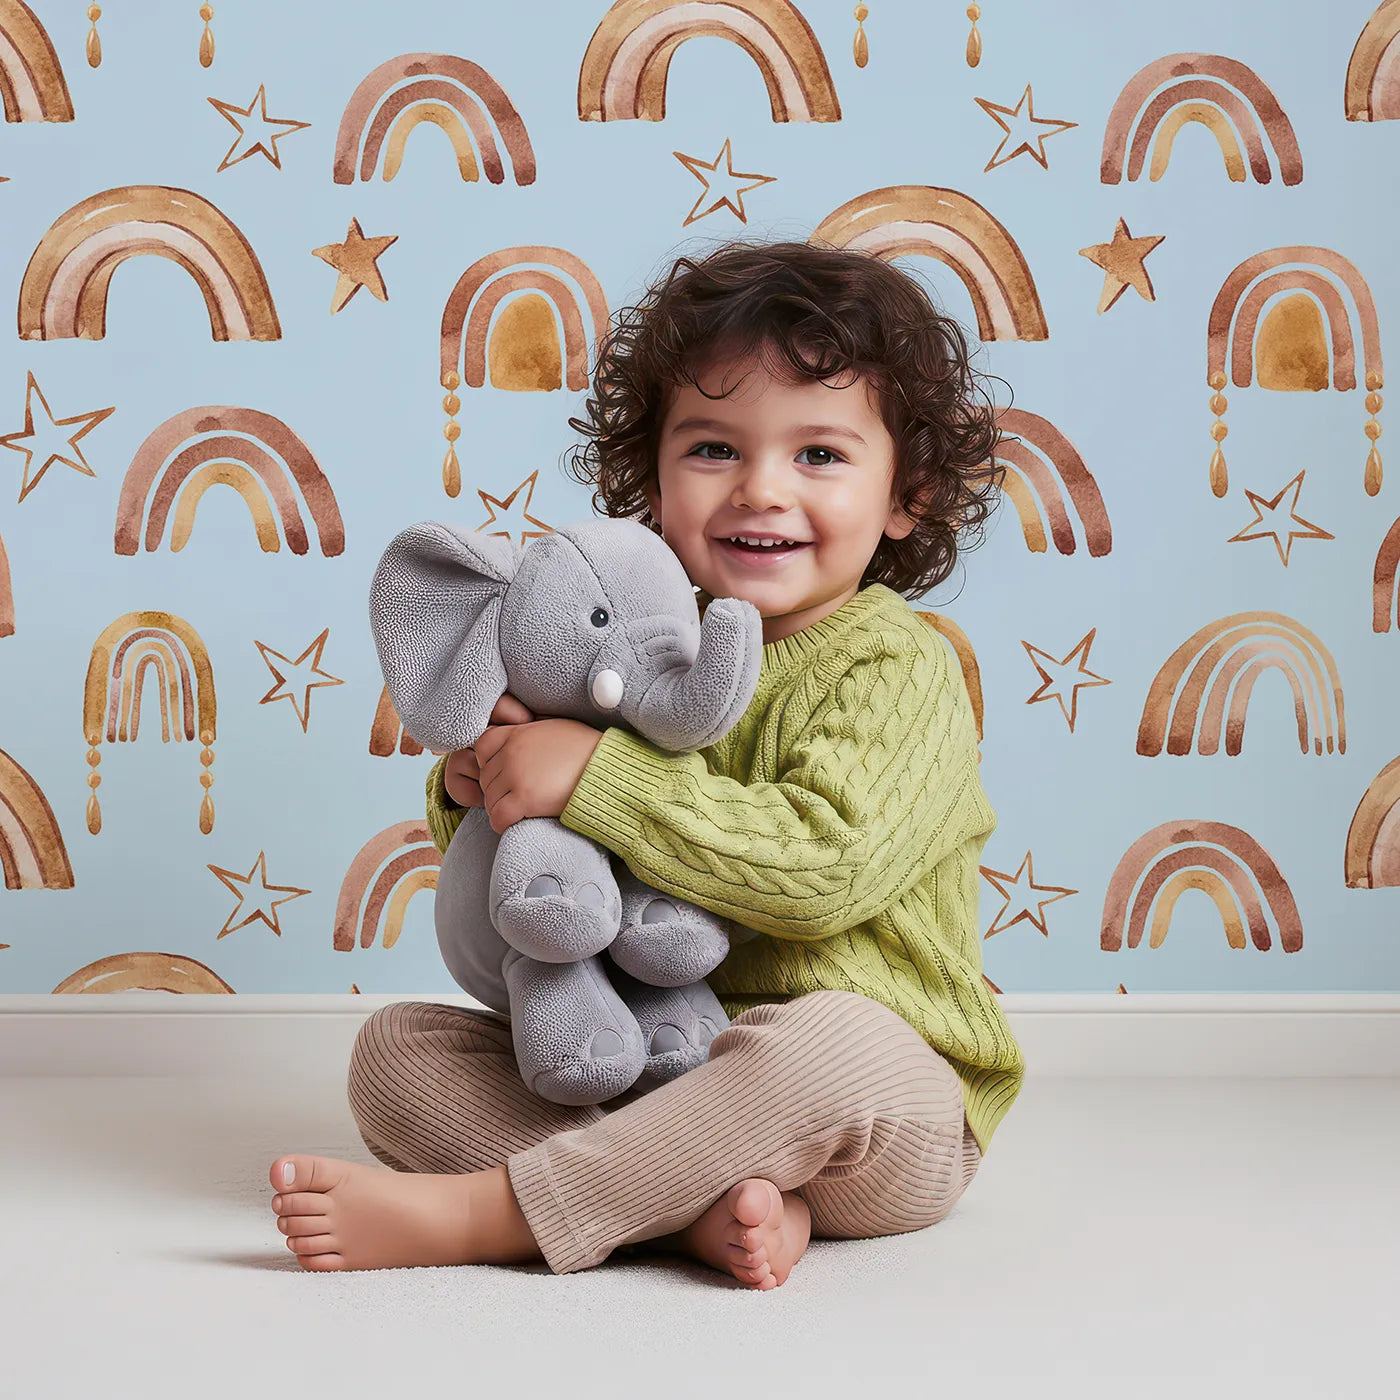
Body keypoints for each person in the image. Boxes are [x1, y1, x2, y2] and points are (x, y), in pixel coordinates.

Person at [267, 239, 1025, 1288]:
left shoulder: (897, 664)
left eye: (818, 455)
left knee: (831, 1041)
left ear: (907, 492)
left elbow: (821, 870)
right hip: (662, 1069)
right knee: (395, 1054)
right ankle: (685, 1208)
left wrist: (592, 778)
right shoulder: (632, 646)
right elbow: (539, 870)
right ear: (650, 479)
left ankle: (501, 1212)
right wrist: (481, 786)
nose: (760, 490)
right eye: (712, 448)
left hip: (871, 1111)